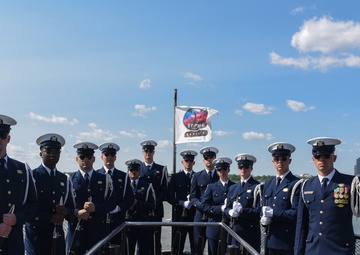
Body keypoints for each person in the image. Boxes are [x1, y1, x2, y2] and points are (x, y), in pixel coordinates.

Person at [294, 137, 355, 255]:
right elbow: (301, 226)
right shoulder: (306, 186)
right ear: (313, 159)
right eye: (317, 157)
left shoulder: (351, 183)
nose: (322, 159)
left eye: (326, 156)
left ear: (334, 158)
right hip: (313, 249)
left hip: (340, 250)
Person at [25, 133, 75, 255]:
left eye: (56, 151)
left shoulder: (64, 179)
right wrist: (49, 218)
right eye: (48, 150)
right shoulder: (31, 176)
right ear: (40, 153)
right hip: (37, 239)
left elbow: (72, 206)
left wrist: (66, 211)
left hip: (57, 239)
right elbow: (25, 208)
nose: (53, 154)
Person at [67, 142, 116, 254]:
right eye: (82, 157)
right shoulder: (69, 179)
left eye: (89, 157)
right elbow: (64, 205)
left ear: (94, 159)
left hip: (97, 232)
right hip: (76, 232)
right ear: (77, 159)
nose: (86, 160)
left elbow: (112, 203)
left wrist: (96, 208)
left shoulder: (105, 179)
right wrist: (76, 212)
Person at [0, 114, 37, 255]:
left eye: (2, 134)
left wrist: (18, 218)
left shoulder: (22, 169)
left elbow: (33, 205)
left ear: (8, 139)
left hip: (14, 245)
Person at [261, 142, 300, 255]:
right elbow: (263, 208)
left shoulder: (296, 184)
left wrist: (273, 213)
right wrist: (262, 219)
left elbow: (296, 213)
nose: (280, 162)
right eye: (277, 158)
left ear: (289, 160)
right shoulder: (268, 184)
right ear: (273, 161)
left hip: (286, 242)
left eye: (284, 158)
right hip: (269, 238)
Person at [97, 142, 134, 247]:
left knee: (117, 248)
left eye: (112, 155)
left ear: (115, 157)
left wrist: (118, 208)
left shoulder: (123, 176)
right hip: (99, 221)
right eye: (106, 154)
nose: (109, 157)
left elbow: (130, 198)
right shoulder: (96, 175)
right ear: (102, 157)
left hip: (118, 220)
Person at [224, 153, 261, 253]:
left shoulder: (257, 187)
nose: (243, 170)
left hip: (250, 233)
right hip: (235, 232)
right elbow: (226, 208)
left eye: (246, 167)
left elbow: (259, 212)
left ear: (251, 168)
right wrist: (229, 212)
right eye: (240, 167)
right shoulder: (233, 188)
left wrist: (242, 211)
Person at [139, 140, 168, 255]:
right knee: (142, 241)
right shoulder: (138, 168)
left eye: (150, 151)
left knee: (156, 240)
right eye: (146, 151)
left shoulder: (161, 169)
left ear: (153, 152)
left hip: (156, 210)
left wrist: (154, 202)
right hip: (141, 211)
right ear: (142, 152)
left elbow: (164, 190)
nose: (148, 153)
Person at [202, 157, 235, 255]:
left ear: (228, 170)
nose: (222, 172)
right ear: (216, 171)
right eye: (219, 169)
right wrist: (220, 209)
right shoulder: (212, 187)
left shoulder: (234, 187)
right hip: (214, 227)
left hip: (230, 228)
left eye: (224, 169)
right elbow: (204, 206)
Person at [190, 146, 219, 254]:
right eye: (207, 158)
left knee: (214, 248)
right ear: (203, 160)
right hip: (200, 214)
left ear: (215, 158)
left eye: (211, 157)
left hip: (214, 216)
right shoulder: (197, 176)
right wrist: (201, 205)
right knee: (197, 247)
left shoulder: (220, 174)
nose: (209, 160)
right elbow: (193, 196)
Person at [167, 149, 197, 255]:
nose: (188, 163)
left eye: (190, 161)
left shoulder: (197, 177)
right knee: (177, 244)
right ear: (182, 162)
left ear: (193, 162)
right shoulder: (175, 177)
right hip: (179, 215)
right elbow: (169, 197)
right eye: (186, 160)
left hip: (194, 215)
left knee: (195, 245)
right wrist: (181, 203)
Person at [125, 159, 156, 255]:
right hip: (129, 222)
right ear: (128, 171)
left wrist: (137, 203)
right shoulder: (124, 186)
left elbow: (152, 204)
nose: (133, 173)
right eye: (131, 170)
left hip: (143, 222)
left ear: (139, 171)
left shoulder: (147, 186)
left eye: (136, 170)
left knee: (144, 250)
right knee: (128, 250)